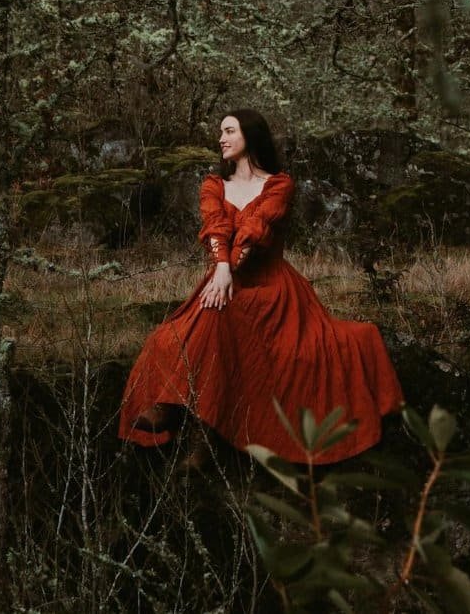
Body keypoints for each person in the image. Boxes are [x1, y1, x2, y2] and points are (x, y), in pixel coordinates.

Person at [117, 109, 404, 465]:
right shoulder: (213, 184)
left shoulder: (279, 184)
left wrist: (227, 270)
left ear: (250, 136)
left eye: (229, 131)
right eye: (220, 132)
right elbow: (215, 226)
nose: (221, 138)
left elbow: (255, 232)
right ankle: (179, 413)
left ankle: (196, 430)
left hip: (271, 288)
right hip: (223, 281)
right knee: (167, 335)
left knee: (221, 317)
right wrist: (222, 269)